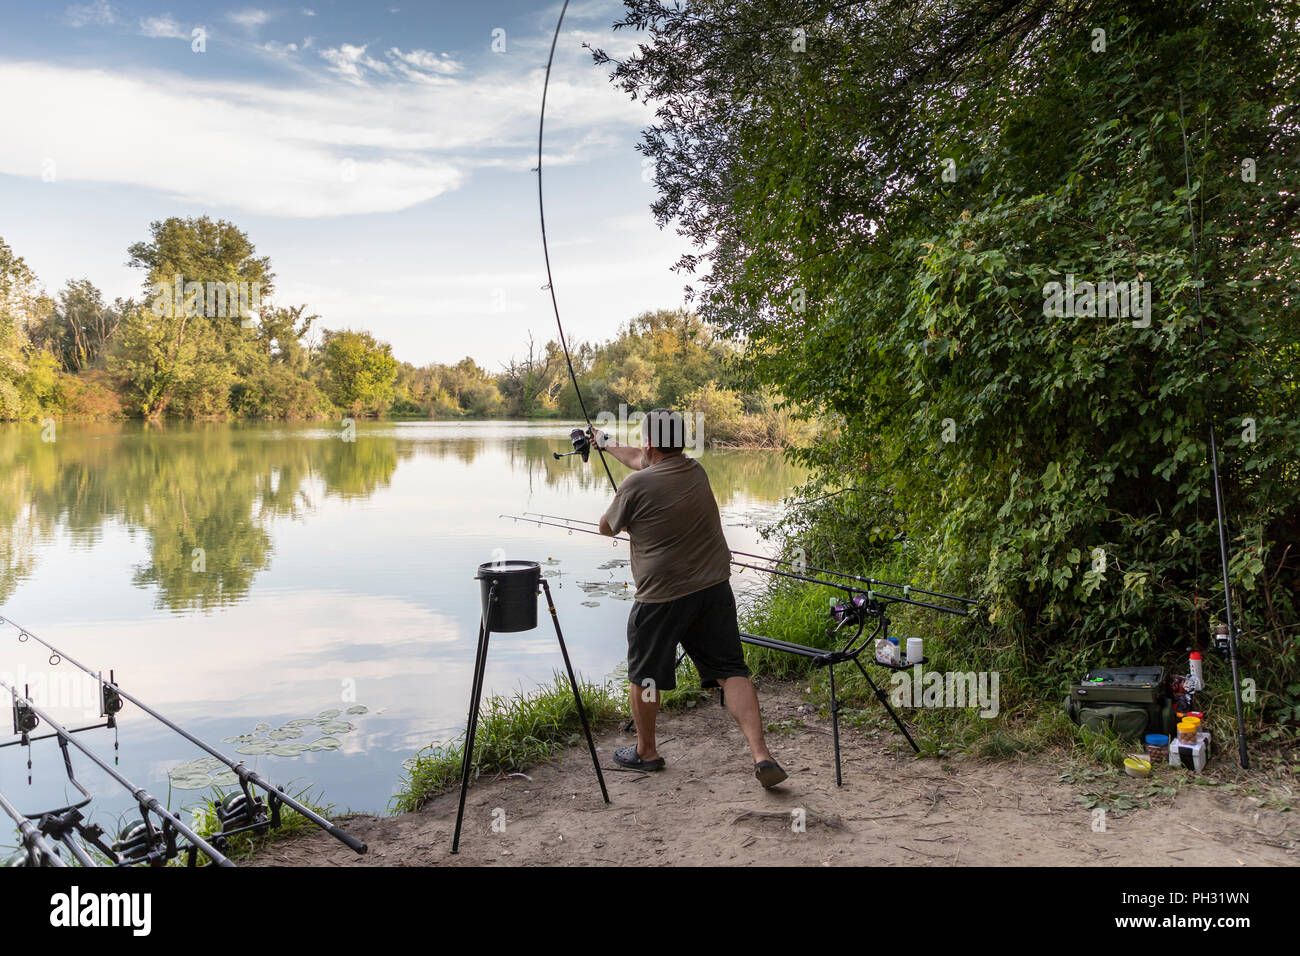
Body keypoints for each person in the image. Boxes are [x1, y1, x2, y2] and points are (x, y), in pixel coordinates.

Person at [592, 410, 788, 789]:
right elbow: (640, 460)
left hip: (661, 597)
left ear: (651, 442)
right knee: (732, 670)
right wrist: (604, 441)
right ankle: (761, 755)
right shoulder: (695, 470)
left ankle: (646, 752)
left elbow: (605, 527)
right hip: (713, 588)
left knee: (646, 675)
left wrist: (628, 506)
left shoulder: (635, 486)